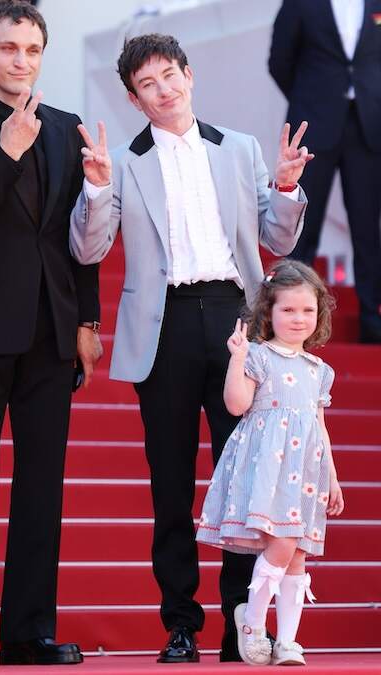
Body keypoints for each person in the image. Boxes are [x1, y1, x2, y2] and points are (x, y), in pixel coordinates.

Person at [70, 33, 310, 663]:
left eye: (171, 76)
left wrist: (284, 189)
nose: (164, 90)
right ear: (133, 97)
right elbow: (89, 250)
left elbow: (275, 239)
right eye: (149, 84)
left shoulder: (240, 148)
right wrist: (95, 189)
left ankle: (241, 626)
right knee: (170, 485)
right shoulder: (121, 160)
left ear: (189, 75)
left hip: (238, 322)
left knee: (244, 484)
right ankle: (181, 624)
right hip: (165, 328)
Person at [0, 1, 100, 665]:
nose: (20, 60)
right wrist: (3, 155)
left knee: (39, 487)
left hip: (50, 330)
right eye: (7, 48)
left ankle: (29, 632)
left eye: (30, 49)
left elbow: (76, 236)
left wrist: (86, 317)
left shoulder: (64, 128)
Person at [196, 260, 344, 667]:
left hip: (305, 473)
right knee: (281, 544)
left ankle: (288, 641)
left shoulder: (319, 371)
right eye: (288, 310)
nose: (298, 319)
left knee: (296, 555)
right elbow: (236, 404)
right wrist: (237, 358)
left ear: (320, 314)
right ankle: (253, 623)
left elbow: (320, 427)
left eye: (307, 311)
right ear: (269, 312)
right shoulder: (259, 357)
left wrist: (332, 477)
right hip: (269, 468)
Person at [269, 0, 381, 344]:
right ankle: (291, 315)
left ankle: (371, 318)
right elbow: (279, 60)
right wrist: (312, 98)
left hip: (367, 123)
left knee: (366, 225)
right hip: (315, 122)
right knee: (305, 221)